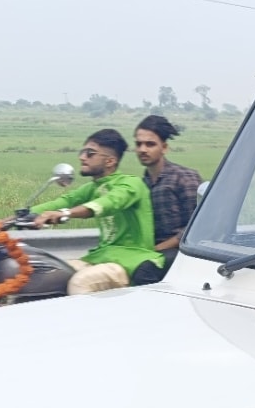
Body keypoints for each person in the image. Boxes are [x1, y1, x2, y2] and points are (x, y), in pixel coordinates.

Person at [28, 129, 160, 294]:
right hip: (102, 257)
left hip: (130, 260)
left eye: (90, 153)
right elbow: (62, 201)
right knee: (50, 273)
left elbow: (107, 203)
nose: (82, 157)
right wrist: (4, 222)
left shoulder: (131, 184)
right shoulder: (92, 187)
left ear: (110, 161)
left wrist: (65, 214)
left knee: (80, 283)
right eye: (82, 152)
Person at [134, 115, 202, 266]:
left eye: (150, 144)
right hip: (154, 252)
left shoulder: (184, 178)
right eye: (138, 144)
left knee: (145, 268)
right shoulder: (140, 184)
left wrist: (157, 249)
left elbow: (197, 227)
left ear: (164, 148)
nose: (142, 149)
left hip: (183, 252)